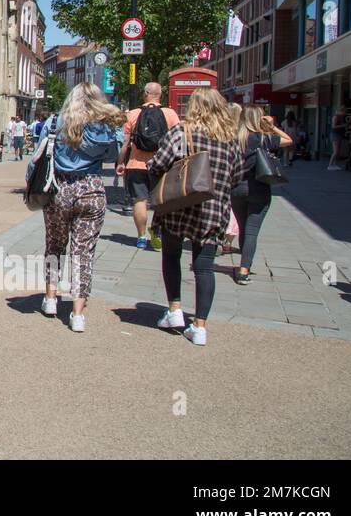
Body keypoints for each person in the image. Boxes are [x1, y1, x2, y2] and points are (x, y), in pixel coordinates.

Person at [145, 88, 244, 347]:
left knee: (171, 255)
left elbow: (158, 163)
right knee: (204, 267)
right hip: (212, 209)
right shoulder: (230, 138)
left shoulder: (182, 132)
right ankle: (199, 327)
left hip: (179, 205)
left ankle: (175, 310)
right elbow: (237, 177)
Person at [37, 83, 125, 331]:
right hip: (92, 190)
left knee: (54, 245)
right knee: (83, 252)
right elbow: (112, 156)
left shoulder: (55, 122)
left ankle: (51, 298)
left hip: (60, 190)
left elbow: (40, 154)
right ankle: (77, 314)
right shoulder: (104, 127)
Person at [231, 105, 293, 286]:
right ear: (258, 119)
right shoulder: (264, 138)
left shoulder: (235, 137)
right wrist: (271, 126)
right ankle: (244, 270)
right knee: (252, 231)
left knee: (243, 229)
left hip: (237, 189)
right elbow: (288, 140)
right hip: (259, 189)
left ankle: (243, 263)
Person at [115, 82, 180, 250]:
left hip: (136, 164)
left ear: (145, 94)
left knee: (140, 200)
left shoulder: (133, 114)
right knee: (161, 201)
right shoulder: (170, 114)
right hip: (162, 165)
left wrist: (121, 162)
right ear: (161, 94)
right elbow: (178, 142)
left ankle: (141, 236)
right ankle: (157, 233)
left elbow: (125, 143)